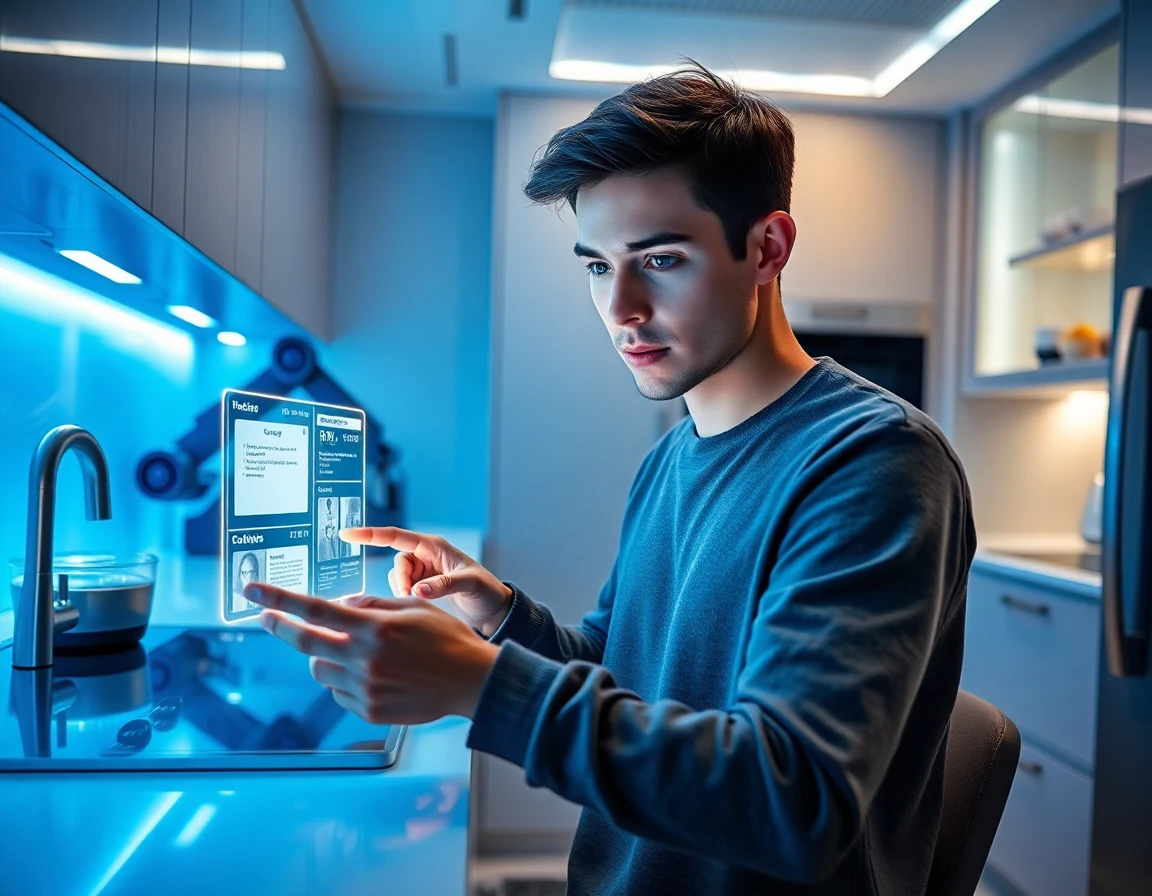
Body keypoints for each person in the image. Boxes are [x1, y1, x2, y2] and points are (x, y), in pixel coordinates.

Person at [244, 64, 975, 895]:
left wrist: (476, 684)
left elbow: (792, 801)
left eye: (659, 260)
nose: (620, 307)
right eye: (597, 266)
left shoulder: (873, 463)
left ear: (767, 247)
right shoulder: (675, 452)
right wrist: (498, 616)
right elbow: (619, 672)